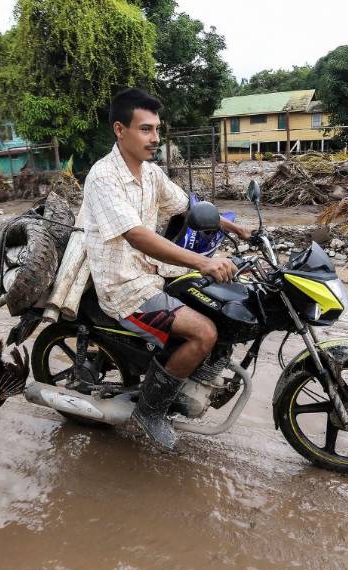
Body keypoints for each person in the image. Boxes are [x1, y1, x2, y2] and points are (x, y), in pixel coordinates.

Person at [82, 88, 249, 450]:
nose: (155, 138)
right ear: (119, 130)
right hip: (123, 286)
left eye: (157, 129)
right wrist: (204, 261)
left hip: (151, 272)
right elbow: (138, 235)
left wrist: (235, 227)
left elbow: (187, 207)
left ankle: (189, 375)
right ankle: (150, 411)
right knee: (203, 332)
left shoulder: (151, 173)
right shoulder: (103, 177)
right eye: (145, 129)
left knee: (220, 307)